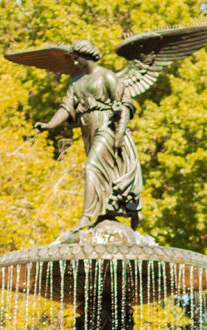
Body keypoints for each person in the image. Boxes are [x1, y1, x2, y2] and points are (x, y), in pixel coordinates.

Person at [35, 40, 143, 233]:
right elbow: (67, 107)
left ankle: (86, 216)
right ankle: (118, 211)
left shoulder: (106, 76)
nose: (75, 63)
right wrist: (49, 124)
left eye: (77, 59)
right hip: (88, 131)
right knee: (103, 172)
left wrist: (119, 134)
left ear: (87, 55)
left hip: (107, 127)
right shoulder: (77, 83)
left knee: (92, 166)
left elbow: (125, 104)